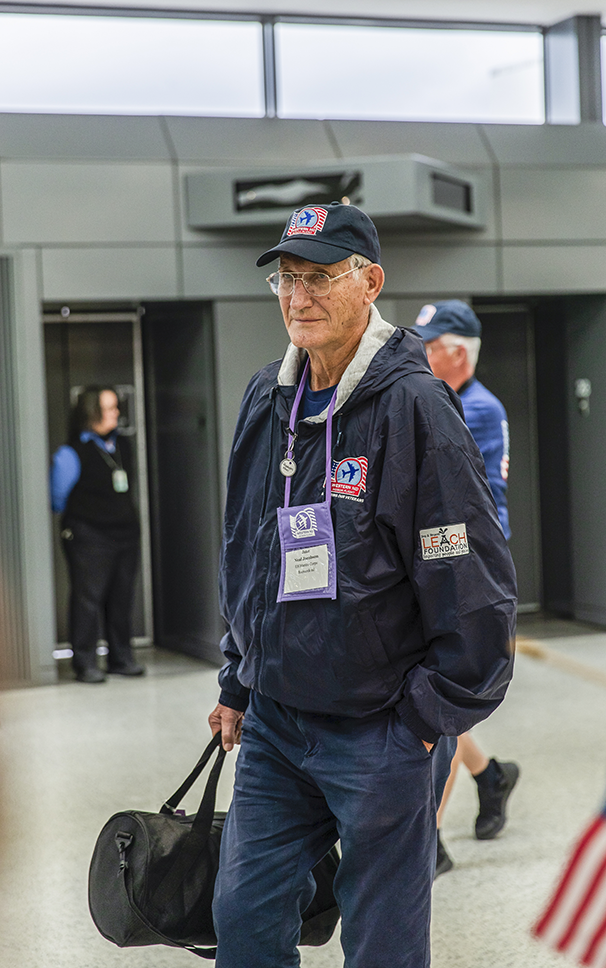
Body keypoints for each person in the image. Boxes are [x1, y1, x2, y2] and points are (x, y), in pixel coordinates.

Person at [208, 202, 517, 968]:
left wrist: (424, 718)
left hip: (378, 732)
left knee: (380, 943)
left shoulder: (416, 408)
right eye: (286, 277)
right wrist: (237, 679)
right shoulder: (266, 398)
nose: (297, 296)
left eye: (319, 277)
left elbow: (471, 579)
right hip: (278, 725)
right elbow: (250, 553)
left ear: (370, 282)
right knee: (241, 919)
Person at [411, 299, 520, 875]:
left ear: (457, 352)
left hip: (469, 569)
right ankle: (490, 775)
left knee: (441, 707)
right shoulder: (455, 401)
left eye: (431, 347)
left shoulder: (469, 409)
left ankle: (423, 841)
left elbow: (452, 509)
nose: (422, 357)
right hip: (456, 560)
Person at [50, 387, 145, 683]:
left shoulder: (122, 446)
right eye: (109, 408)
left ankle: (121, 659)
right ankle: (85, 663)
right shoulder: (71, 453)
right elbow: (57, 499)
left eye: (116, 407)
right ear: (90, 413)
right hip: (89, 535)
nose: (116, 413)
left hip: (125, 534)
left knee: (121, 599)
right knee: (88, 599)